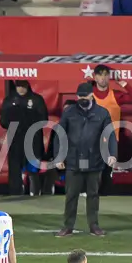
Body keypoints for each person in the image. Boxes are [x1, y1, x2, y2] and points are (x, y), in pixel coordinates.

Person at [54, 82, 117, 238]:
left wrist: (112, 154)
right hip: (73, 160)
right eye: (79, 96)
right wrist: (58, 156)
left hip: (94, 160)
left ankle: (94, 226)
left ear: (91, 95)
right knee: (71, 195)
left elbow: (110, 135)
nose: (82, 99)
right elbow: (60, 135)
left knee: (93, 195)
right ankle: (68, 226)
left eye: (85, 96)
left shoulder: (102, 113)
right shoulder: (69, 112)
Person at [90, 64, 132, 193]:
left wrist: (122, 83)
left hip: (111, 139)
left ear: (109, 77)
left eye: (105, 75)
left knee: (107, 172)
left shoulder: (116, 95)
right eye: (100, 75)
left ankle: (105, 198)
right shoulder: (89, 95)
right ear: (95, 77)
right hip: (92, 138)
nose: (103, 78)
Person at [0, 80, 48, 196]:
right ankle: (15, 194)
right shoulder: (9, 100)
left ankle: (35, 194)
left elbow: (44, 120)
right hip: (15, 141)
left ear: (28, 86)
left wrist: (27, 121)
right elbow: (3, 121)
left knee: (33, 169)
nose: (21, 89)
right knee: (15, 169)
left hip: (33, 140)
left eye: (23, 86)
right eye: (18, 86)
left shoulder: (37, 99)